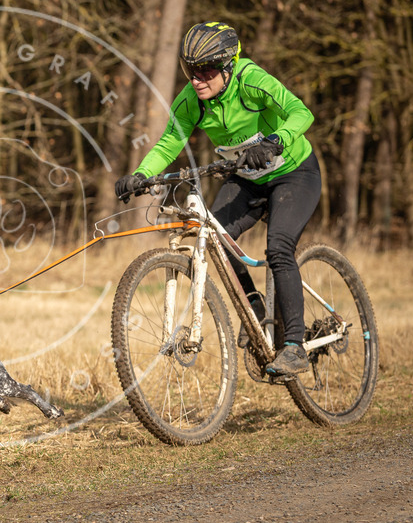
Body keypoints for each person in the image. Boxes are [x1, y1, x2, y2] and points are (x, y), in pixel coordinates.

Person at [115, 21, 321, 377]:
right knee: (217, 239)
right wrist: (141, 174)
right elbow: (168, 143)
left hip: (294, 174)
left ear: (229, 67)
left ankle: (295, 347)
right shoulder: (191, 100)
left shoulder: (252, 81)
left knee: (278, 248)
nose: (197, 79)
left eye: (207, 70)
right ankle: (254, 308)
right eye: (190, 70)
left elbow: (302, 112)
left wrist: (275, 141)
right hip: (246, 179)